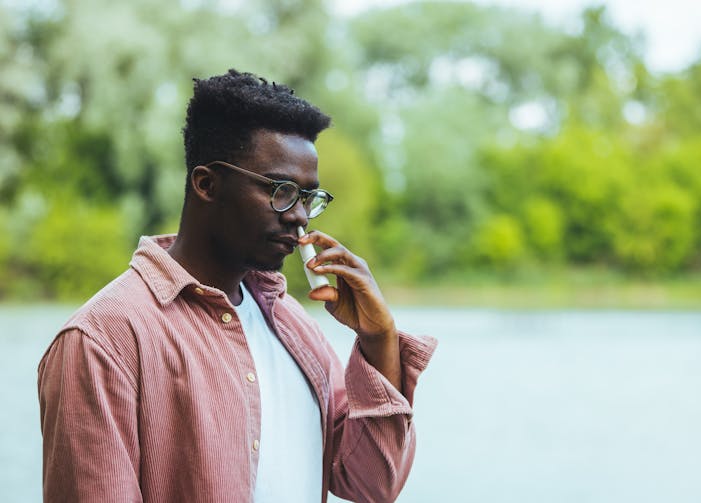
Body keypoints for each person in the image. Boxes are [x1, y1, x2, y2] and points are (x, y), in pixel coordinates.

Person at [37, 69, 437, 503]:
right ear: (207, 184)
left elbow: (371, 484)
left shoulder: (291, 325)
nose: (299, 216)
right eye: (281, 190)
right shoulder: (104, 340)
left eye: (308, 198)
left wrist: (378, 340)